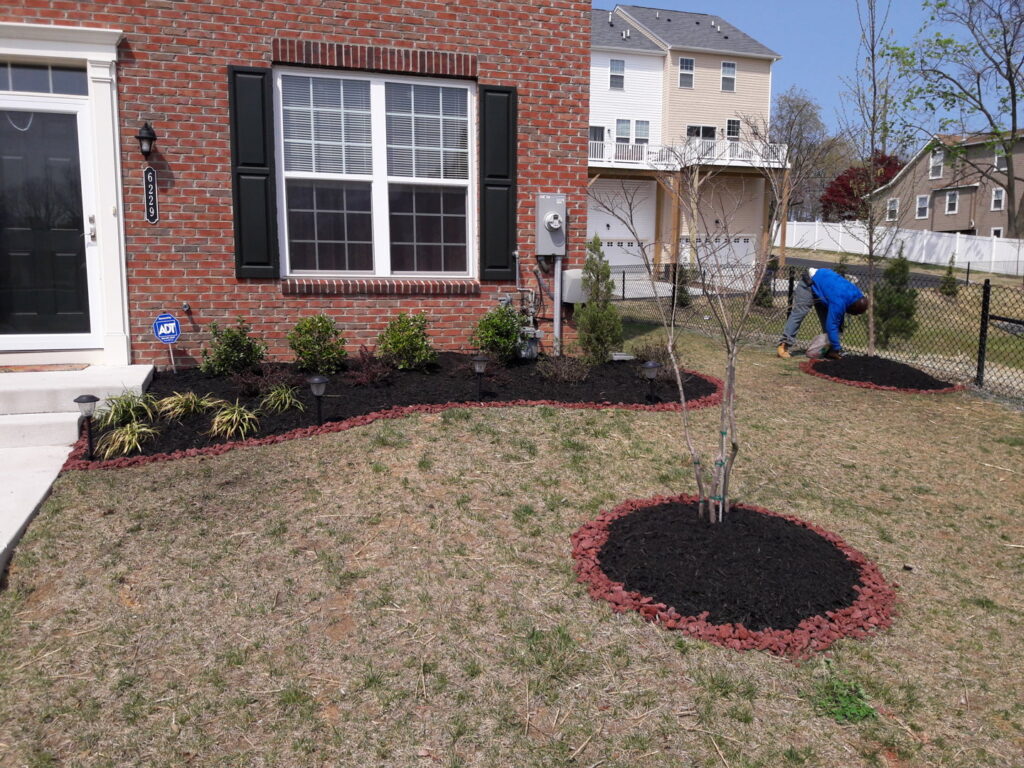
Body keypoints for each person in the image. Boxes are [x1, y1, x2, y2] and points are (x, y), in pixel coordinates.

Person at [777, 267, 868, 359]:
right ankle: (784, 345)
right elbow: (832, 324)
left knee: (828, 320)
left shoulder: (858, 294)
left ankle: (831, 351)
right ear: (851, 308)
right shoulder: (839, 301)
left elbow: (837, 319)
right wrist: (837, 347)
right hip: (809, 282)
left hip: (824, 290)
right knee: (800, 313)